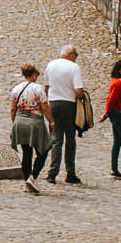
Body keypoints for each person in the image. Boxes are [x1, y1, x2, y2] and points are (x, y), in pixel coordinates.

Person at [9, 60, 53, 193]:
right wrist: (51, 122)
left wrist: (15, 122)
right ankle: (32, 177)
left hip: (20, 121)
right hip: (35, 122)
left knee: (26, 152)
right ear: (33, 74)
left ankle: (27, 179)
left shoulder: (16, 89)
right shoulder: (38, 89)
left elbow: (12, 109)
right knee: (43, 150)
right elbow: (45, 108)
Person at [44, 46, 85, 184]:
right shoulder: (74, 67)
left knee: (56, 140)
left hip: (53, 103)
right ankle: (70, 173)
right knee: (70, 141)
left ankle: (52, 173)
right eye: (76, 54)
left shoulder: (51, 65)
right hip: (68, 104)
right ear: (70, 54)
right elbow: (78, 90)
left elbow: (46, 87)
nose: (76, 57)